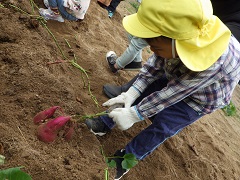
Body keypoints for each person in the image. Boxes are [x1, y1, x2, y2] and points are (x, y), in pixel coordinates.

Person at [85, 0, 240, 179]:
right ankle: (105, 122)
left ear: (177, 42)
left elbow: (172, 94)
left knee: (164, 125)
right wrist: (132, 92)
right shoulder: (174, 39)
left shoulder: (211, 63)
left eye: (155, 45)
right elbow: (154, 66)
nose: (151, 48)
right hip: (182, 69)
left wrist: (134, 114)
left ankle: (126, 159)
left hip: (202, 98)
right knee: (145, 90)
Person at [103, 0, 240, 97]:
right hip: (200, 17)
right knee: (163, 50)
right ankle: (131, 91)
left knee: (178, 62)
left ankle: (139, 99)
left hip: (225, 30)